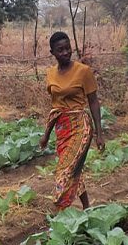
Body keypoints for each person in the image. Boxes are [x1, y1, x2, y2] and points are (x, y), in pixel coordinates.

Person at [39, 32, 105, 211]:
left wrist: (99, 134)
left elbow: (93, 102)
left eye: (68, 48)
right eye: (60, 50)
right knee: (74, 169)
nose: (66, 52)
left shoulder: (83, 71)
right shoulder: (51, 74)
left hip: (80, 125)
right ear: (52, 52)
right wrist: (46, 135)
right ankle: (87, 207)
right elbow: (55, 108)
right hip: (62, 128)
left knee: (65, 170)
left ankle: (59, 210)